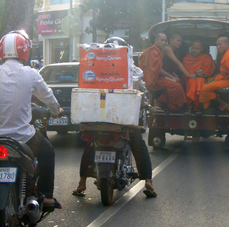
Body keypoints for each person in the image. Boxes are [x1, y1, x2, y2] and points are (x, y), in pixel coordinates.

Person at [72, 36, 157, 198]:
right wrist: (145, 103)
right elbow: (142, 94)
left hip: (98, 119)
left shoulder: (94, 68)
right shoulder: (134, 71)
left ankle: (82, 182)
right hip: (123, 120)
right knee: (139, 146)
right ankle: (148, 181)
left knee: (90, 146)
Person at [0, 30, 64, 209]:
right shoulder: (30, 73)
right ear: (24, 52)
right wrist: (56, 110)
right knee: (47, 152)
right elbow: (48, 96)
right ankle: (47, 196)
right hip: (23, 138)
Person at [139, 32, 187, 112]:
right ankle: (173, 107)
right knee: (176, 86)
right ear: (155, 40)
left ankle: (160, 102)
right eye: (161, 40)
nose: (164, 42)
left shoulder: (159, 51)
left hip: (157, 77)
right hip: (153, 80)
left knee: (181, 83)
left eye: (165, 41)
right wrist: (171, 77)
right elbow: (158, 70)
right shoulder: (153, 51)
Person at [182, 40, 215, 113]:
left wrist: (202, 73)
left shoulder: (206, 58)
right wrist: (194, 73)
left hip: (203, 78)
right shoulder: (187, 58)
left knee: (201, 81)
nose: (194, 50)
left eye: (197, 49)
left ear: (202, 49)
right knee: (192, 81)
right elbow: (185, 72)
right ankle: (189, 106)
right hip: (189, 78)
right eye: (193, 48)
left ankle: (200, 106)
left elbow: (209, 72)